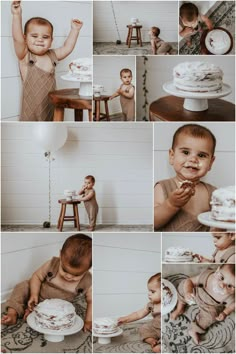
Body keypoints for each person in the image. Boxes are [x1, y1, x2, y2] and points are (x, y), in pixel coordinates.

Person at [1, 234, 92, 331]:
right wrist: (33, 294)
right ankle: (12, 313)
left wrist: (88, 321)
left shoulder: (87, 280)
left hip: (58, 310)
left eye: (76, 275)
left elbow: (91, 301)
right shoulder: (52, 264)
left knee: (64, 315)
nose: (69, 276)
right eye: (64, 270)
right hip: (36, 297)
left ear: (88, 269)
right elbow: (37, 277)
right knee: (22, 286)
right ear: (60, 255)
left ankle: (35, 313)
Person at [11, 0, 83, 121]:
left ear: (51, 40)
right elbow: (17, 39)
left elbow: (67, 48)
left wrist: (75, 30)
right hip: (31, 113)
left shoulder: (52, 55)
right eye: (34, 36)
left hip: (51, 108)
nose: (40, 40)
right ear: (25, 38)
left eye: (45, 37)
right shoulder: (25, 56)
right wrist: (17, 15)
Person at [154, 124, 217, 232]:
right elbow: (153, 222)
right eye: (186, 152)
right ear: (172, 156)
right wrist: (171, 204)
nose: (193, 159)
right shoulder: (163, 187)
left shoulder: (214, 193)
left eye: (201, 155)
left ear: (211, 162)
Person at [170, 264, 235, 344]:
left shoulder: (231, 297)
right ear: (217, 270)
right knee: (183, 286)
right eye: (221, 278)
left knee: (211, 318)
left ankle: (194, 331)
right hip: (197, 292)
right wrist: (188, 291)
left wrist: (225, 312)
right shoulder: (207, 276)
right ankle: (180, 308)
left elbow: (233, 305)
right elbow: (189, 281)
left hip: (211, 305)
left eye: (229, 286)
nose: (222, 285)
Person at [118, 273, 161, 353]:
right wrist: (125, 319)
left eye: (152, 292)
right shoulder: (151, 305)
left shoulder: (169, 304)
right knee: (144, 328)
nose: (149, 294)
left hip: (166, 329)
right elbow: (138, 314)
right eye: (149, 291)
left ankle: (161, 344)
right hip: (155, 328)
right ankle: (151, 340)